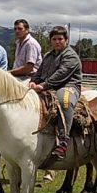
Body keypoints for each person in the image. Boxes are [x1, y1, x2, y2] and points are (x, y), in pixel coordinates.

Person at [30, 26, 82, 159]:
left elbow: (61, 74)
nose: (57, 41)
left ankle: (63, 142)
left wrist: (42, 86)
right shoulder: (48, 55)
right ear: (50, 41)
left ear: (66, 40)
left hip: (68, 86)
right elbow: (39, 72)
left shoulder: (71, 56)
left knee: (63, 100)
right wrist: (33, 82)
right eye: (54, 39)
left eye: (60, 39)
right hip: (48, 87)